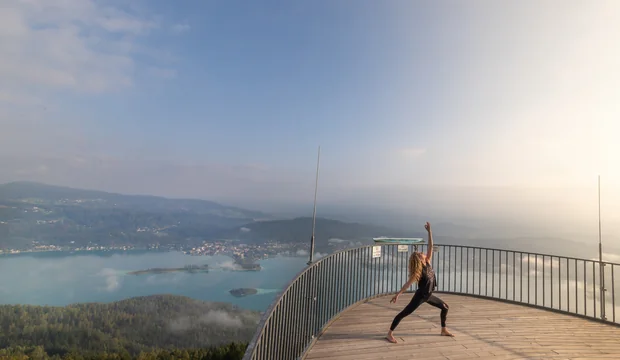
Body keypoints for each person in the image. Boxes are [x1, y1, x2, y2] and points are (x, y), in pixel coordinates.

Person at [386, 222, 454, 343]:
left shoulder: (428, 261)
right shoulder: (418, 272)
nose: (423, 253)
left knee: (445, 308)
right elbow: (407, 284)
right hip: (421, 296)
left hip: (428, 295)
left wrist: (429, 232)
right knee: (404, 313)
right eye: (420, 254)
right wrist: (398, 294)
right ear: (419, 259)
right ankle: (389, 333)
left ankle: (443, 330)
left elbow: (431, 246)